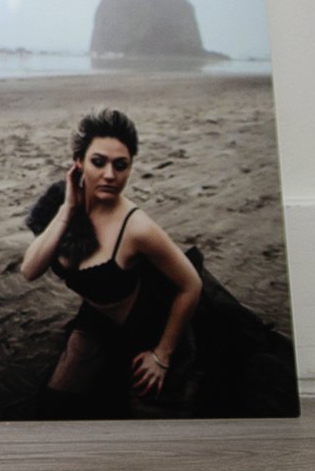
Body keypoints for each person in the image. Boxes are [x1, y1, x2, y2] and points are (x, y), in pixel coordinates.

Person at [18, 109, 201, 418]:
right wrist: (67, 210)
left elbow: (191, 284)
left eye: (121, 165)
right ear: (78, 162)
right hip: (96, 322)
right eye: (98, 162)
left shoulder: (137, 227)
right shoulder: (61, 204)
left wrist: (162, 355)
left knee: (137, 418)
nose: (109, 175)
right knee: (56, 406)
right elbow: (29, 270)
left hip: (148, 329)